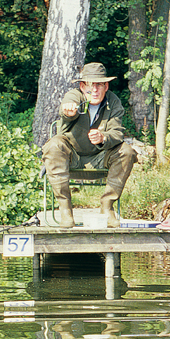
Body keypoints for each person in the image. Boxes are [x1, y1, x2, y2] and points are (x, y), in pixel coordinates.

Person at [41, 62, 137, 228]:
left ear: (106, 86)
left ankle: (107, 207)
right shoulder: (74, 96)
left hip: (100, 157)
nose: (94, 90)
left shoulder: (113, 102)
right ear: (82, 86)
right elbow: (68, 105)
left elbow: (117, 134)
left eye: (99, 85)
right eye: (90, 85)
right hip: (71, 158)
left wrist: (103, 137)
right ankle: (65, 211)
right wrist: (68, 111)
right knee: (53, 145)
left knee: (127, 151)